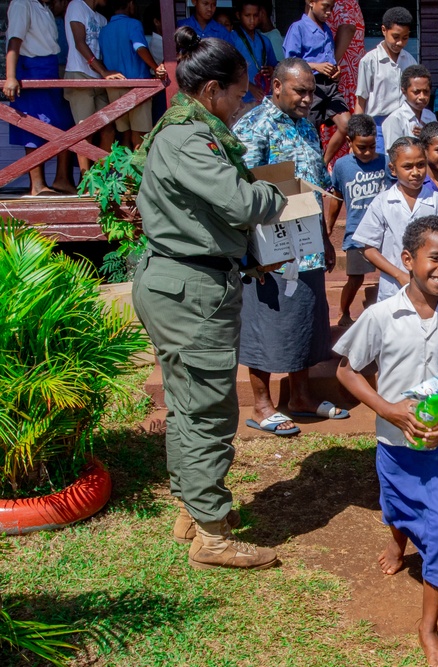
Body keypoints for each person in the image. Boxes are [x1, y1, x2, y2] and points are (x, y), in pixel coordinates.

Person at [130, 26, 286, 569]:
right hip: (190, 290)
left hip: (183, 284)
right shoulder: (188, 138)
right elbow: (243, 202)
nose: (243, 105)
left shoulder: (182, 132)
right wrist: (279, 190)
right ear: (213, 89)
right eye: (240, 94)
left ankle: (189, 507)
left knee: (188, 403)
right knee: (209, 411)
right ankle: (212, 535)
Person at [334, 215, 438, 667]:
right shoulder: (382, 316)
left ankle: (427, 627)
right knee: (396, 509)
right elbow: (347, 370)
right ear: (408, 260)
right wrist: (387, 409)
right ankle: (398, 541)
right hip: (394, 444)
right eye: (435, 257)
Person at [233, 57, 348, 434]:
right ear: (277, 86)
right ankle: (263, 406)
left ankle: (300, 397)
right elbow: (243, 191)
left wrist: (325, 239)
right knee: (265, 322)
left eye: (312, 92)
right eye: (300, 91)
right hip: (270, 249)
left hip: (308, 242)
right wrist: (254, 252)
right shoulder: (254, 126)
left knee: (304, 321)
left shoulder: (307, 126)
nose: (307, 99)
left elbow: (314, 185)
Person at [353, 137, 438, 303]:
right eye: (407, 167)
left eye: (421, 165)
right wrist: (399, 275)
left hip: (434, 286)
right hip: (394, 288)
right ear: (393, 169)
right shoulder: (382, 202)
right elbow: (369, 249)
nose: (416, 172)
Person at [4, 0, 77, 195]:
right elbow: (14, 40)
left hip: (49, 68)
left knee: (64, 124)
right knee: (34, 125)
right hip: (32, 69)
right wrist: (11, 77)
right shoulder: (22, 3)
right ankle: (37, 185)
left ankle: (62, 178)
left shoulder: (43, 6)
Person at [330, 113, 390, 326]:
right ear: (349, 142)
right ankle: (344, 311)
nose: (367, 152)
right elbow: (336, 198)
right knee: (355, 278)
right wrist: (328, 227)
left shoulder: (386, 162)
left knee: (389, 275)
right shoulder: (341, 166)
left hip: (385, 232)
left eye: (372, 146)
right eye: (361, 147)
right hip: (357, 233)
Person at [283, 0, 351, 161]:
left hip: (330, 86)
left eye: (332, 8)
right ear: (311, 2)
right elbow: (289, 62)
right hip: (311, 88)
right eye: (325, 6)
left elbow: (330, 59)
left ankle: (323, 161)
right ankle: (312, 166)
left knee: (347, 125)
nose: (329, 12)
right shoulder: (298, 28)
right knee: (310, 133)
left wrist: (336, 70)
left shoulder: (326, 29)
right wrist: (315, 66)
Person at [63, 0, 123, 172]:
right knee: (85, 130)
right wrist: (104, 71)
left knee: (108, 129)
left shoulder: (101, 18)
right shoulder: (76, 5)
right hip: (79, 74)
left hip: (98, 78)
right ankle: (86, 179)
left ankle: (100, 176)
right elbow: (80, 43)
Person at [99, 0, 166, 149]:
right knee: (139, 135)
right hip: (137, 88)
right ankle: (138, 172)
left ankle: (125, 172)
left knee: (124, 133)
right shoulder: (133, 24)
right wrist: (156, 68)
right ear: (130, 4)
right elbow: (139, 47)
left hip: (114, 88)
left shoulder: (104, 30)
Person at [354, 6, 416, 153]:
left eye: (405, 38)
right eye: (396, 37)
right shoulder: (369, 61)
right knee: (382, 168)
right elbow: (361, 101)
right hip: (378, 127)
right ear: (384, 30)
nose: (400, 43)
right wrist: (356, 134)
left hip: (404, 126)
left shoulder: (410, 61)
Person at [321, 0, 364, 165]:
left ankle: (334, 173)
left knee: (339, 128)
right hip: (347, 74)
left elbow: (348, 28)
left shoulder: (342, 2)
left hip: (341, 75)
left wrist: (332, 65)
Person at [227, 0, 277, 105]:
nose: (252, 20)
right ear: (238, 15)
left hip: (264, 96)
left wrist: (272, 70)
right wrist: (249, 86)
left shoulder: (265, 41)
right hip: (241, 100)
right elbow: (228, 70)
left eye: (255, 15)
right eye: (247, 15)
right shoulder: (231, 39)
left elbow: (275, 65)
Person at [381, 63, 435, 154]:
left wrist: (427, 137)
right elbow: (395, 156)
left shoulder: (431, 117)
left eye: (426, 91)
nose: (422, 96)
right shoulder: (395, 120)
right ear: (404, 91)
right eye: (416, 92)